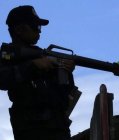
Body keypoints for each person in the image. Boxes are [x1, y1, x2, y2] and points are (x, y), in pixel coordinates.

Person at [0, 5, 75, 140]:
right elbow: (2, 79)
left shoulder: (42, 56)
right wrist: (33, 66)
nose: (39, 32)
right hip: (32, 131)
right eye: (35, 27)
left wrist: (67, 72)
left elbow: (64, 98)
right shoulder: (9, 55)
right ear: (19, 29)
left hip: (59, 130)